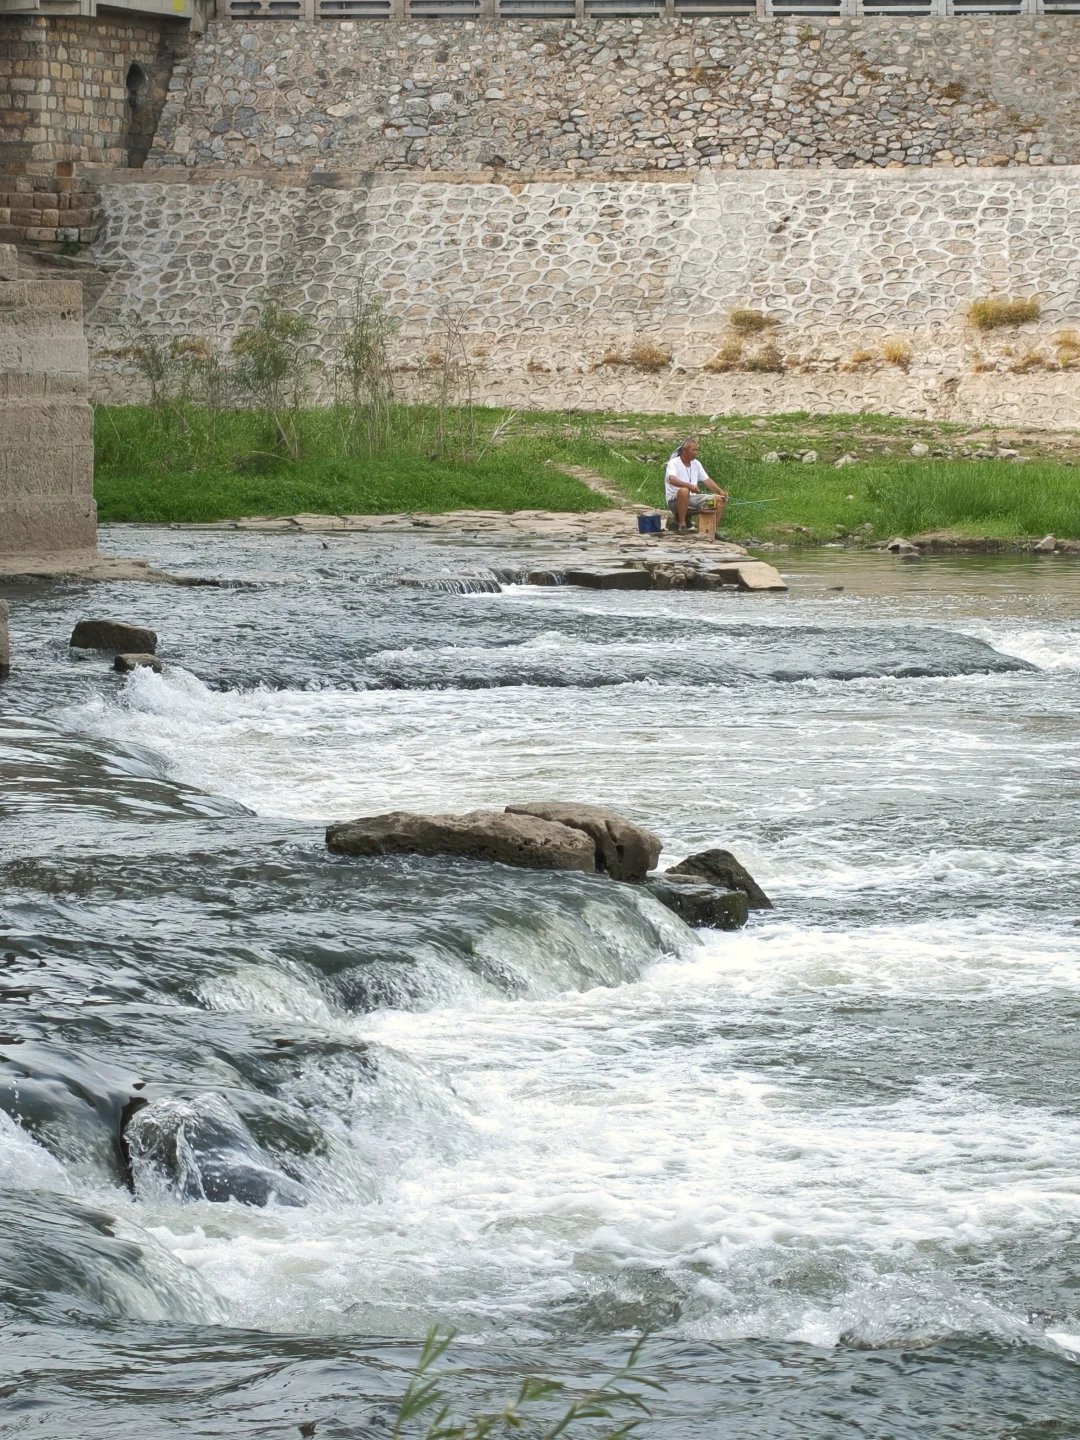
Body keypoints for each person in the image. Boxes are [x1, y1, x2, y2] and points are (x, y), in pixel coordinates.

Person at [664, 439, 728, 531]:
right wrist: (690, 486)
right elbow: (672, 480)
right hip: (675, 502)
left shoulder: (696, 464)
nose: (696, 452)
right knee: (684, 491)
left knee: (718, 501)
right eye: (693, 450)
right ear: (684, 451)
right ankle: (682, 524)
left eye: (697, 450)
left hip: (694, 501)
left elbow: (707, 480)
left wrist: (720, 492)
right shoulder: (673, 463)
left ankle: (712, 530)